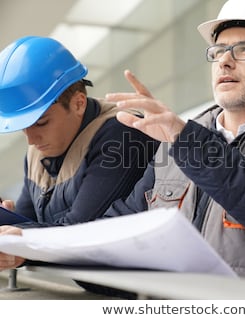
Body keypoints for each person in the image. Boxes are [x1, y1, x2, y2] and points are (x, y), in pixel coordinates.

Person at [0, 0, 245, 279]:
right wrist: (28, 246)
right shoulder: (172, 147)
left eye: (243, 51)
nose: (224, 61)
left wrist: (183, 137)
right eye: (218, 51)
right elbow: (114, 228)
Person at [0, 36, 158, 226]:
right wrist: (8, 223)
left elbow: (79, 230)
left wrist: (19, 234)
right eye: (24, 127)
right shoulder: (37, 153)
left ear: (78, 103)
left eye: (41, 123)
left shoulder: (122, 134)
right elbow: (28, 223)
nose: (31, 140)